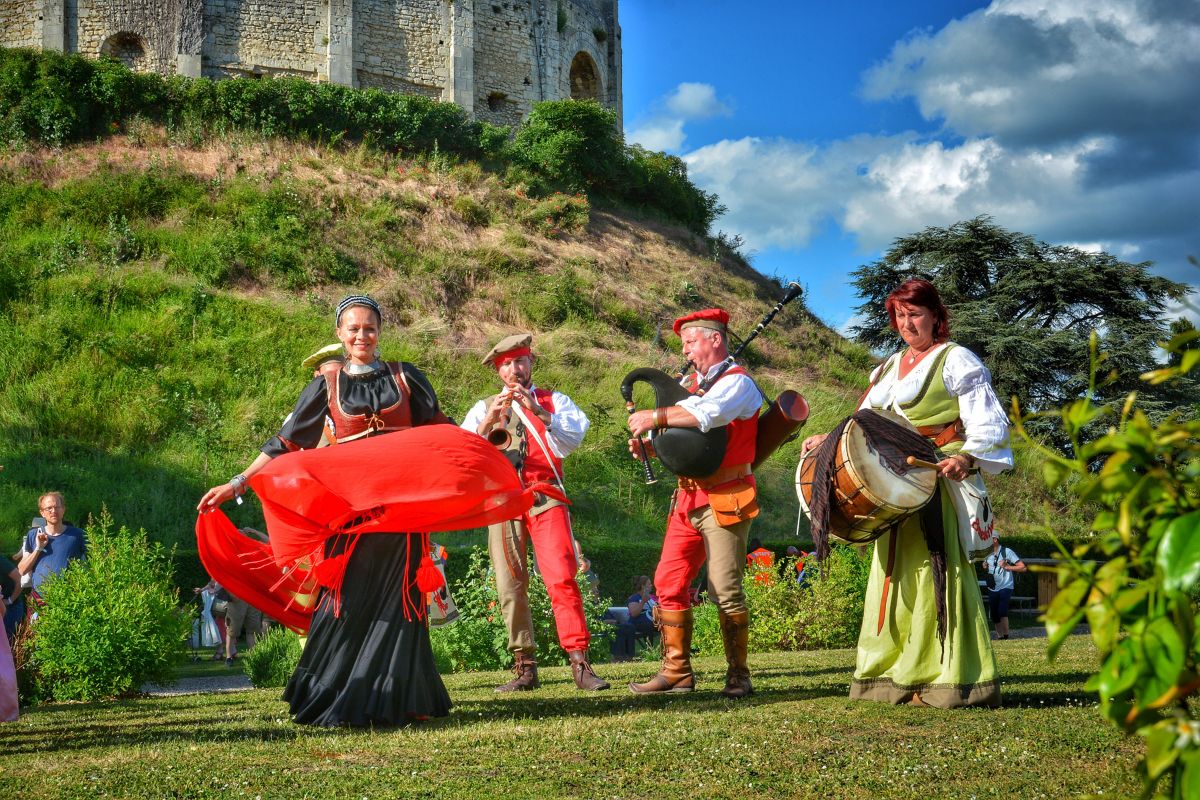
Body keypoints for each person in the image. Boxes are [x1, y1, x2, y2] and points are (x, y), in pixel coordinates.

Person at [198, 294, 453, 726]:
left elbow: (442, 431)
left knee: (402, 601)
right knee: (344, 601)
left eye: (369, 328)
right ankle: (335, 695)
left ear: (380, 332)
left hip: (401, 512)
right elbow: (285, 443)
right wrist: (238, 482)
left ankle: (403, 699)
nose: (362, 335)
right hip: (348, 513)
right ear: (339, 333)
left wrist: (481, 450)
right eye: (353, 328)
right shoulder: (327, 385)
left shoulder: (406, 377)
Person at [801, 278, 1012, 708]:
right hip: (892, 487)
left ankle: (944, 680)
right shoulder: (887, 368)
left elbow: (990, 423)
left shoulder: (956, 360)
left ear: (936, 316)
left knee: (938, 570)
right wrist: (829, 437)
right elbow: (862, 422)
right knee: (892, 574)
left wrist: (966, 457)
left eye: (914, 314)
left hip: (936, 482)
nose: (906, 323)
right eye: (899, 315)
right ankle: (890, 676)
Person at [627, 308, 764, 697]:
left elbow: (709, 415)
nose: (685, 350)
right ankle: (677, 672)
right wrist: (651, 447)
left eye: (690, 342)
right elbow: (684, 438)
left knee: (724, 589)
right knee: (667, 582)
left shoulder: (738, 383)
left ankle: (739, 675)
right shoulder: (693, 385)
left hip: (727, 495)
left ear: (715, 339)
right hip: (687, 498)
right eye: (684, 344)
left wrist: (655, 416)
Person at [460, 333, 609, 691]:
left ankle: (580, 662)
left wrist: (538, 412)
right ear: (498, 371)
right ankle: (524, 667)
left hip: (545, 494)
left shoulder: (555, 401)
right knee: (509, 584)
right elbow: (464, 455)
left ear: (531, 363)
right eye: (506, 364)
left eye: (520, 361)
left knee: (561, 576)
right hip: (502, 501)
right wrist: (488, 422)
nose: (514, 369)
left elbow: (571, 440)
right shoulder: (483, 406)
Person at [19, 492, 86, 596]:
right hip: (39, 598)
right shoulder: (33, 535)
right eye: (49, 508)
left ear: (63, 509)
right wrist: (38, 548)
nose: (53, 511)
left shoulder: (78, 535)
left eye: (57, 507)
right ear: (42, 513)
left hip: (69, 598)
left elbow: (99, 559)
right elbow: (22, 570)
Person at [983, 533, 1026, 640]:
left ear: (995, 539)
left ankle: (1006, 636)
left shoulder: (1007, 551)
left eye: (988, 539)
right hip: (992, 586)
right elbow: (987, 566)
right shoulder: (986, 553)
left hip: (1006, 585)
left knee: (1002, 611)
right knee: (994, 614)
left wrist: (1008, 566)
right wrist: (984, 566)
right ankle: (1000, 637)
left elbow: (1023, 567)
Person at [611, 576, 658, 662]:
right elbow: (634, 613)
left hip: (652, 621)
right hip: (637, 623)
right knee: (648, 625)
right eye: (649, 584)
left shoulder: (651, 598)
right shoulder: (634, 598)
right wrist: (643, 601)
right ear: (643, 586)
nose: (651, 585)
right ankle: (650, 650)